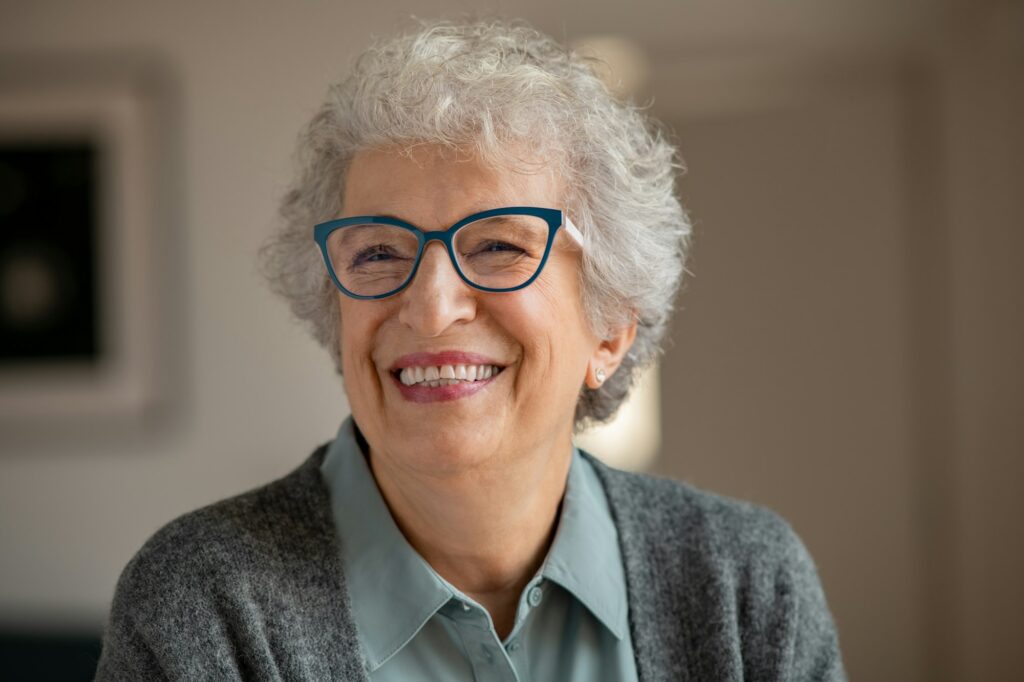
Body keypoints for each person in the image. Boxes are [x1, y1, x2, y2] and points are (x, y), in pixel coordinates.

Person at [95, 18, 846, 681]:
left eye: (495, 245)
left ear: (610, 327)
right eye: (380, 252)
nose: (429, 308)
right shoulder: (201, 604)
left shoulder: (745, 585)